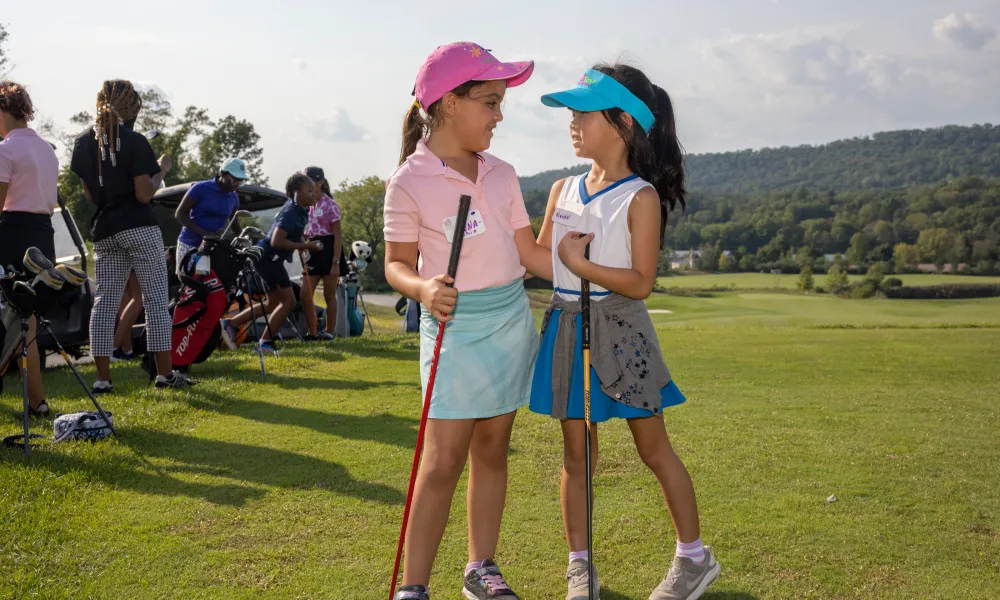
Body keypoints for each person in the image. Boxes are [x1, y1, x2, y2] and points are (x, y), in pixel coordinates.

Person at [530, 64, 721, 600]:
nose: (572, 123)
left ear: (622, 123)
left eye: (582, 114)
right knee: (576, 454)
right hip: (567, 326)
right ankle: (580, 566)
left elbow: (641, 283)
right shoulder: (562, 189)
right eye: (571, 114)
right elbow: (545, 261)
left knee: (652, 447)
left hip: (621, 328)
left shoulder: (639, 197)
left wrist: (580, 263)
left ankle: (694, 558)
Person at [384, 42, 549, 600]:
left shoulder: (502, 174)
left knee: (492, 449)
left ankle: (481, 567)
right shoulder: (409, 181)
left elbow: (530, 255)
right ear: (451, 103)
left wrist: (592, 271)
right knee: (442, 459)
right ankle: (414, 586)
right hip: (454, 328)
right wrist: (423, 288)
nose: (499, 116)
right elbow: (396, 266)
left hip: (507, 322)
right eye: (490, 102)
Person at [70, 79, 192, 391]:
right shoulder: (135, 140)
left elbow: (92, 196)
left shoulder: (84, 142)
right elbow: (143, 194)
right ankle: (165, 375)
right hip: (138, 226)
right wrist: (161, 170)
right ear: (131, 107)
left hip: (105, 230)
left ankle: (102, 380)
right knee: (154, 299)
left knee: (105, 302)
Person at [0, 80, 59, 417]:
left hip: (13, 235)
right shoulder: (46, 149)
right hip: (42, 236)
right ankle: (37, 401)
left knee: (11, 322)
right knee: (28, 324)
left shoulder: (6, 150)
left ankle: (36, 401)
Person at [222, 173, 320, 353]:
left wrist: (302, 243)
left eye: (314, 190)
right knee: (289, 302)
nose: (314, 194)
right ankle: (264, 343)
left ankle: (231, 323)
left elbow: (292, 233)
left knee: (273, 303)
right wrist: (306, 245)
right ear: (297, 192)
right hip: (268, 259)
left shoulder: (300, 209)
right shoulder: (291, 212)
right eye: (309, 190)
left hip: (269, 259)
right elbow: (276, 241)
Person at [173, 158, 247, 276]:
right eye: (234, 181)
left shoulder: (234, 198)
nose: (236, 186)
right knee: (189, 285)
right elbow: (180, 214)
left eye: (240, 182)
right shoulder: (200, 188)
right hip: (190, 244)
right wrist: (205, 233)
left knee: (206, 284)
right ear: (223, 174)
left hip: (210, 248)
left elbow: (234, 222)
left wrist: (244, 242)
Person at [300, 166, 341, 341]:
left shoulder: (330, 205)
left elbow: (337, 235)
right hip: (312, 250)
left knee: (329, 295)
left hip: (329, 250)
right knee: (305, 293)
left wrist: (336, 262)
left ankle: (329, 332)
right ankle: (313, 332)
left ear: (321, 183)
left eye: (311, 181)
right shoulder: (305, 205)